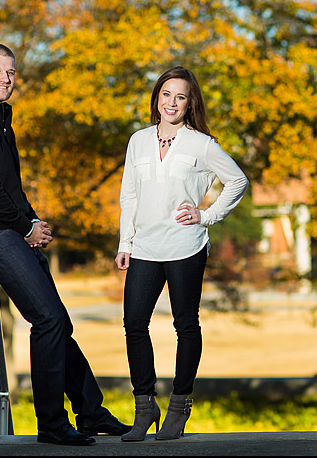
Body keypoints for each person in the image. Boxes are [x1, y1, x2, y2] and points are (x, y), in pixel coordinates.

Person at [0, 42, 130, 446]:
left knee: (58, 322)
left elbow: (11, 188)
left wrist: (33, 222)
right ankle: (51, 423)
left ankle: (90, 413)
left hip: (11, 229)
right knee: (47, 320)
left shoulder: (0, 122)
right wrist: (23, 227)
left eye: (10, 72)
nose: (5, 79)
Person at [115, 66, 249, 441]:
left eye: (181, 97)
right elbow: (129, 196)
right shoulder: (138, 140)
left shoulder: (201, 144)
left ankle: (179, 404)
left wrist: (206, 216)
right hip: (144, 247)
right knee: (134, 324)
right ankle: (144, 406)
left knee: (185, 325)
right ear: (157, 98)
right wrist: (125, 244)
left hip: (185, 247)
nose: (172, 103)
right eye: (166, 94)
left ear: (190, 104)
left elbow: (237, 180)